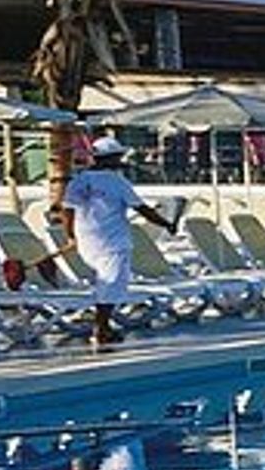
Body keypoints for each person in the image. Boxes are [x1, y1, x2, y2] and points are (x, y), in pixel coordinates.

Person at [50, 134, 175, 350]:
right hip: (112, 242)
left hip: (87, 243)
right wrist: (167, 224)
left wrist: (71, 235)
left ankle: (103, 326)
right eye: (117, 156)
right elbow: (142, 209)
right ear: (109, 158)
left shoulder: (79, 181)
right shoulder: (117, 182)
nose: (120, 160)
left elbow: (67, 211)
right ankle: (102, 328)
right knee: (111, 285)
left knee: (105, 284)